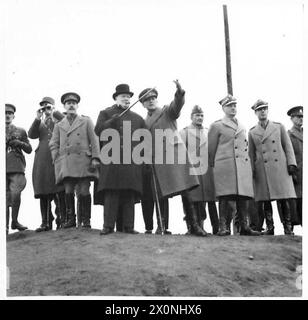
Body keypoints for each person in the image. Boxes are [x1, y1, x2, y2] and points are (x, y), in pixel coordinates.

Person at [139, 80, 206, 236]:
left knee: (186, 191)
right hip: (159, 160)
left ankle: (194, 226)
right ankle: (162, 226)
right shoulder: (144, 122)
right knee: (161, 193)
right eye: (146, 100)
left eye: (153, 98)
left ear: (157, 99)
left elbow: (177, 106)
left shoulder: (166, 111)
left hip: (175, 156)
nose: (150, 101)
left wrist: (179, 92)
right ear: (142, 104)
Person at [94, 84, 145, 235]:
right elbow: (98, 130)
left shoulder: (138, 118)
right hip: (111, 160)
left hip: (131, 161)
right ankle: (108, 226)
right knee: (112, 192)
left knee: (129, 192)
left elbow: (144, 140)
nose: (127, 99)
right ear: (116, 98)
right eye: (123, 96)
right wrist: (111, 122)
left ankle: (129, 227)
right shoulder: (105, 113)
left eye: (129, 97)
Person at [208, 94, 260, 236]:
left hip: (241, 166)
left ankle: (244, 226)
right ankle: (223, 227)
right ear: (223, 108)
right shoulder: (217, 125)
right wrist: (215, 166)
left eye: (234, 105)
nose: (233, 108)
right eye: (229, 106)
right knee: (225, 196)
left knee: (242, 196)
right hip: (225, 166)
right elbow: (211, 150)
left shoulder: (242, 125)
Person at [49, 92, 101, 229]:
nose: (71, 105)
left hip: (83, 160)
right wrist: (56, 156)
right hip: (66, 162)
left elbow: (94, 140)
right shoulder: (59, 125)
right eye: (68, 103)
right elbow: (53, 143)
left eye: (73, 103)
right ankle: (70, 219)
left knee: (84, 190)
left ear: (77, 105)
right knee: (68, 190)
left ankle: (86, 221)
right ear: (64, 106)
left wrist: (95, 157)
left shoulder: (86, 121)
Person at [248, 99, 297, 235]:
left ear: (267, 111)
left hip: (280, 168)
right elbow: (251, 154)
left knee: (283, 198)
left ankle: (287, 227)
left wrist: (291, 163)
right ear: (255, 113)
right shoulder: (252, 132)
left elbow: (288, 147)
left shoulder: (279, 126)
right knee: (266, 201)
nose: (262, 111)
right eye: (259, 110)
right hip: (262, 170)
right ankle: (270, 228)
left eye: (264, 109)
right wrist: (250, 170)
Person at [28, 97, 67, 231]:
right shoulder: (40, 122)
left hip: (57, 156)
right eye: (44, 107)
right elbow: (31, 135)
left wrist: (54, 112)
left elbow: (67, 124)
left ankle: (62, 220)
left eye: (48, 106)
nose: (46, 109)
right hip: (43, 159)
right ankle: (45, 222)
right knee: (43, 188)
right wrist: (38, 118)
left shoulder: (59, 119)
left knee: (59, 187)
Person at [179, 105, 219, 235]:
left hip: (207, 171)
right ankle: (192, 227)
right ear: (191, 117)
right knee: (191, 199)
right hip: (191, 171)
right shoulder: (184, 132)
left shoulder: (208, 132)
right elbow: (180, 154)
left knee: (205, 199)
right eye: (197, 115)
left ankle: (204, 227)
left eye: (201, 115)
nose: (200, 118)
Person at [6, 103, 32, 234]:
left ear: (13, 116)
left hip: (16, 166)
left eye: (9, 113)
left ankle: (14, 221)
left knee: (16, 195)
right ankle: (4, 226)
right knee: (4, 198)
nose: (7, 115)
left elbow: (29, 149)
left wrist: (19, 143)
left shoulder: (20, 131)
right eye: (5, 113)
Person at [287, 106, 303, 227]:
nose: (301, 119)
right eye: (298, 117)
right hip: (298, 173)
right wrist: (292, 173)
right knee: (298, 203)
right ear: (292, 118)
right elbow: (289, 154)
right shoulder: (289, 135)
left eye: (302, 116)